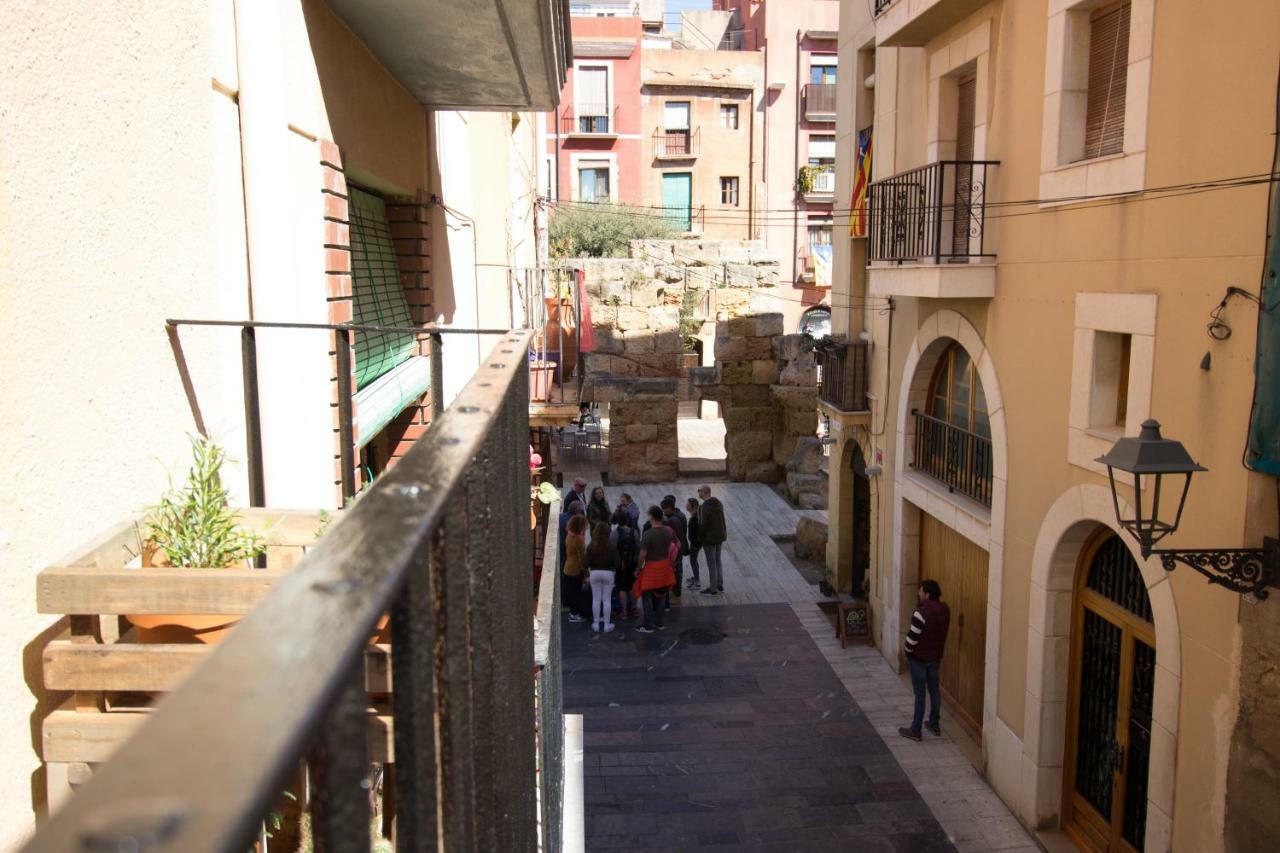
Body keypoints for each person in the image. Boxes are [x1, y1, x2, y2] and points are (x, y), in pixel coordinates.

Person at [899, 579, 951, 741]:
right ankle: (934, 723)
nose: (918, 593)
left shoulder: (920, 613)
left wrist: (907, 651)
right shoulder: (945, 610)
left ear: (927, 594)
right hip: (935, 657)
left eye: (921, 591)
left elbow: (913, 638)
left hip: (919, 659)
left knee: (920, 694)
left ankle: (916, 729)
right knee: (934, 690)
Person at [634, 506, 676, 633]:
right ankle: (660, 623)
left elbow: (642, 555)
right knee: (662, 596)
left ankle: (647, 626)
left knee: (647, 597)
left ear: (651, 517)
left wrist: (638, 568)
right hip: (664, 567)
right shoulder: (668, 531)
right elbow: (676, 545)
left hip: (651, 568)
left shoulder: (648, 534)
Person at [585, 522, 619, 632]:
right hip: (608, 573)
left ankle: (595, 623)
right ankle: (607, 624)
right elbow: (617, 563)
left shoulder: (591, 546)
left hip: (594, 573)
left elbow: (585, 563)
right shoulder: (612, 546)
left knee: (596, 599)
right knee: (606, 599)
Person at [697, 485, 727, 595]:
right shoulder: (718, 503)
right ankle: (719, 584)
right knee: (718, 561)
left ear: (704, 492)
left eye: (699, 491)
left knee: (711, 563)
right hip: (719, 536)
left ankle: (713, 588)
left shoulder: (704, 507)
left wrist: (700, 538)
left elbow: (702, 525)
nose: (698, 493)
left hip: (709, 539)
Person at [611, 509, 640, 620]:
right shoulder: (634, 532)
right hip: (633, 563)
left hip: (620, 565)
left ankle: (624, 612)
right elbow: (638, 547)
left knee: (622, 588)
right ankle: (634, 609)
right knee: (633, 587)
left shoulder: (614, 534)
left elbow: (612, 549)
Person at [562, 514, 589, 623]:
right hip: (575, 569)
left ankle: (572, 613)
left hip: (568, 566)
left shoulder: (569, 536)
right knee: (576, 592)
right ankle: (574, 614)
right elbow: (582, 557)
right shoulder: (578, 539)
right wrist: (586, 572)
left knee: (571, 592)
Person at [660, 496, 688, 601]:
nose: (662, 511)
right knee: (678, 570)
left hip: (675, 550)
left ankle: (676, 593)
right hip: (680, 548)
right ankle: (677, 591)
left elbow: (672, 538)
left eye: (663, 508)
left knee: (676, 571)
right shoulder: (680, 515)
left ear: (669, 508)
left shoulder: (671, 520)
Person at [558, 500, 585, 573]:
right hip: (568, 546)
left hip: (561, 543)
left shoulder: (562, 516)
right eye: (581, 510)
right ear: (577, 511)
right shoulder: (573, 521)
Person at [685, 497, 702, 590]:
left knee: (693, 561)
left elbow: (696, 532)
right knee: (694, 560)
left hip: (695, 544)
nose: (686, 506)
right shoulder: (695, 516)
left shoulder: (695, 518)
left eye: (687, 504)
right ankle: (696, 577)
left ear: (693, 506)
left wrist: (694, 543)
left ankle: (697, 581)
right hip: (696, 543)